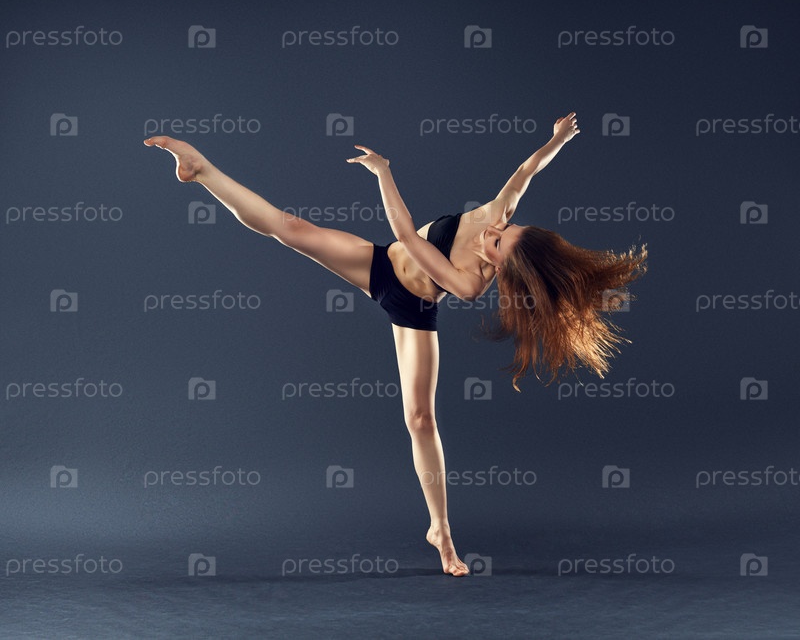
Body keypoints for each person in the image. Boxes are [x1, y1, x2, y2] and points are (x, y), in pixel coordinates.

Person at [144, 112, 647, 576]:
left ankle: (441, 532)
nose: (494, 231)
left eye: (498, 243)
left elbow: (407, 233)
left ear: (502, 267)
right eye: (509, 227)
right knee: (290, 229)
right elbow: (525, 172)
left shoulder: (471, 284)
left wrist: (384, 173)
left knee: (420, 420)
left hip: (412, 308)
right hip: (379, 265)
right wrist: (556, 141)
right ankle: (201, 169)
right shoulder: (496, 216)